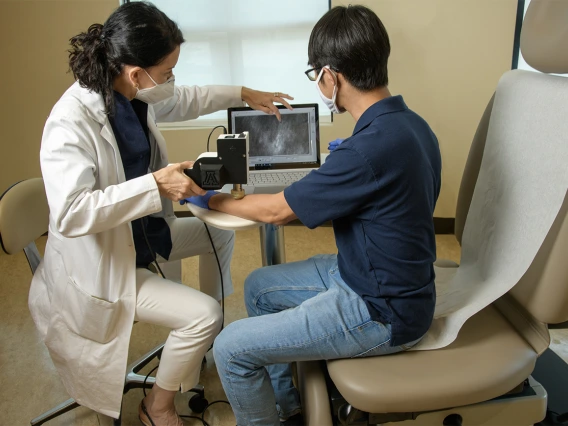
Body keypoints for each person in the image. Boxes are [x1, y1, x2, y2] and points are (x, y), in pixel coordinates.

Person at [28, 2, 293, 425]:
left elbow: (187, 98)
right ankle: (159, 405)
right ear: (136, 72)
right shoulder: (70, 121)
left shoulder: (130, 92)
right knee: (199, 315)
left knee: (219, 235)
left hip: (141, 233)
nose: (172, 80)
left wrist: (244, 93)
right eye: (168, 71)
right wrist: (156, 185)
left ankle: (205, 340)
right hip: (103, 265)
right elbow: (71, 214)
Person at [186, 5, 442, 426]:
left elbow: (275, 211)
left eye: (314, 75)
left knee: (231, 348)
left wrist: (208, 198)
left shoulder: (367, 149)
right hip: (370, 273)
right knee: (259, 287)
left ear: (330, 76)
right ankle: (290, 409)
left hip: (382, 309)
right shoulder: (411, 125)